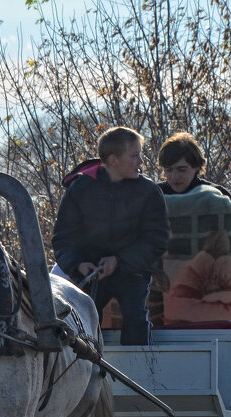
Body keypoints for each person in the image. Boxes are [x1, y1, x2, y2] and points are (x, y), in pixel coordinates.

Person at [51, 126, 169, 345]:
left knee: (135, 319)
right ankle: (84, 372)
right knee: (79, 320)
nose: (141, 162)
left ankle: (139, 372)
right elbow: (63, 239)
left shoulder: (149, 191)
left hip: (132, 271)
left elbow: (157, 241)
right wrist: (78, 265)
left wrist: (120, 261)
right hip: (90, 272)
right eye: (134, 156)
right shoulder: (80, 188)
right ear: (114, 160)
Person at [156, 131, 231, 245]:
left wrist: (224, 210)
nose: (174, 176)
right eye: (168, 170)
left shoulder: (214, 194)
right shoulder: (155, 194)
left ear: (197, 167)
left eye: (182, 169)